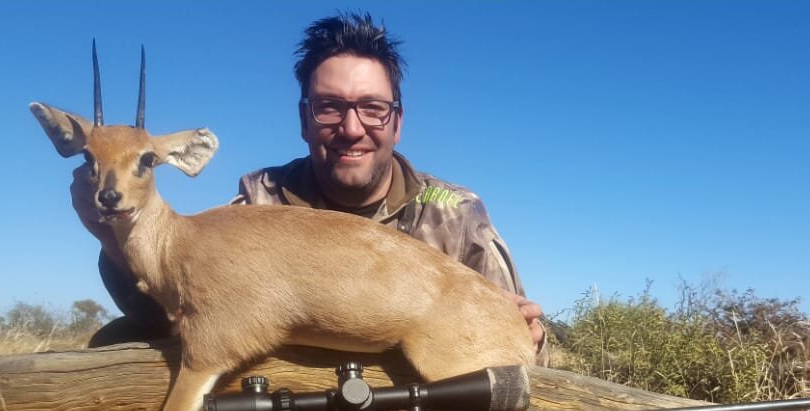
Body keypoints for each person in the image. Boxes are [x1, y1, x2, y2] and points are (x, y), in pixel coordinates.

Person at [88, 12, 546, 356]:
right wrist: (113, 239)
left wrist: (529, 332)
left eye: (372, 107)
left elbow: (524, 350)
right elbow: (173, 318)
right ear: (304, 120)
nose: (351, 128)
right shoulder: (256, 202)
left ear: (397, 122)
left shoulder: (453, 212)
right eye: (329, 107)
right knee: (116, 340)